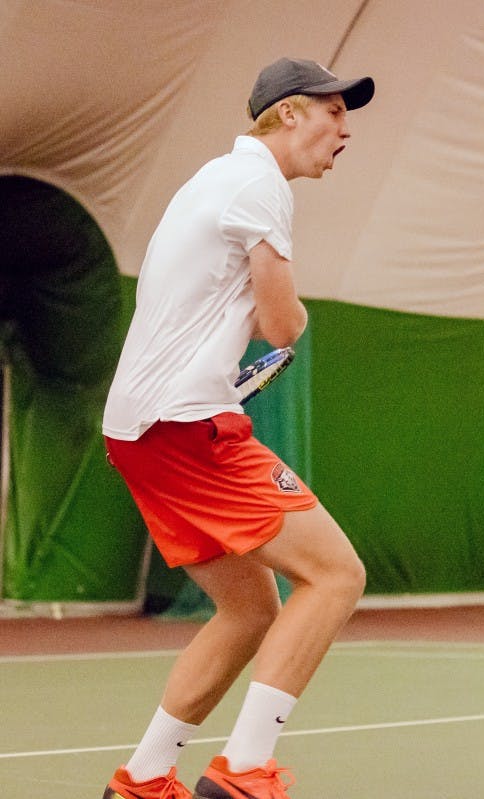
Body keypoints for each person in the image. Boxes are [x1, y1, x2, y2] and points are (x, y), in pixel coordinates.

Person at [101, 57, 374, 799]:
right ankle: (246, 770)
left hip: (135, 431)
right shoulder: (259, 185)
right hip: (187, 425)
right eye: (333, 112)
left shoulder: (214, 180)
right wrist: (294, 320)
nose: (344, 129)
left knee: (252, 607)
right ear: (288, 114)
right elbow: (282, 324)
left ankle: (145, 777)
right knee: (337, 572)